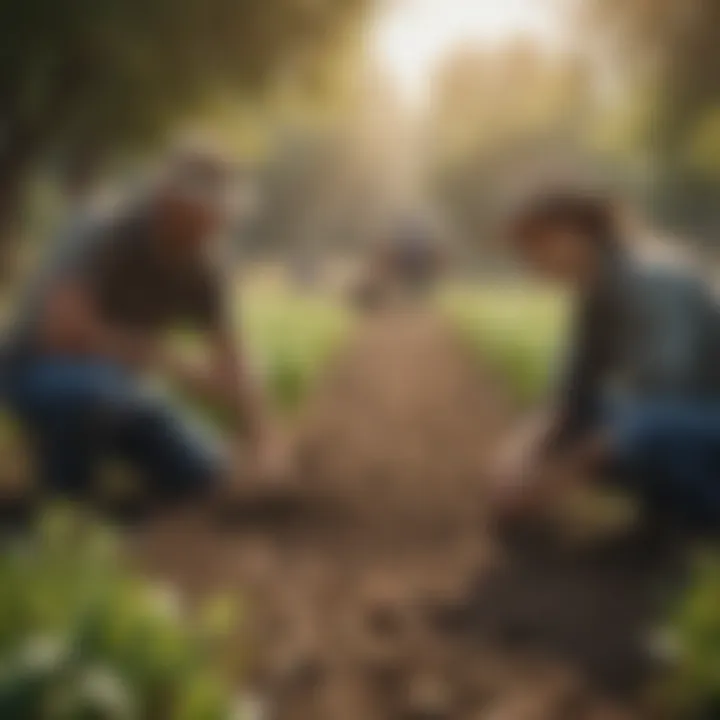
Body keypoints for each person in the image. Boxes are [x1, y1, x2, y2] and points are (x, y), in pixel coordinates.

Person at [1, 148, 289, 511]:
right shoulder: (102, 231)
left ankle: (124, 503)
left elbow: (233, 357)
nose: (215, 225)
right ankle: (63, 506)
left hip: (121, 386)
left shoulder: (204, 267)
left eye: (220, 215)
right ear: (168, 202)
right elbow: (62, 333)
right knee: (91, 392)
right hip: (33, 370)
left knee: (207, 470)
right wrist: (173, 363)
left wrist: (266, 439)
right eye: (204, 213)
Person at [491, 186, 720, 532]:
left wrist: (551, 484)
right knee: (589, 423)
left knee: (634, 431)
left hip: (700, 414)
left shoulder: (652, 278)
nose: (530, 263)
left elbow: (661, 401)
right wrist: (517, 455)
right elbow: (572, 395)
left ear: (572, 234)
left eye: (533, 245)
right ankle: (676, 508)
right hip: (683, 420)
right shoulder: (597, 291)